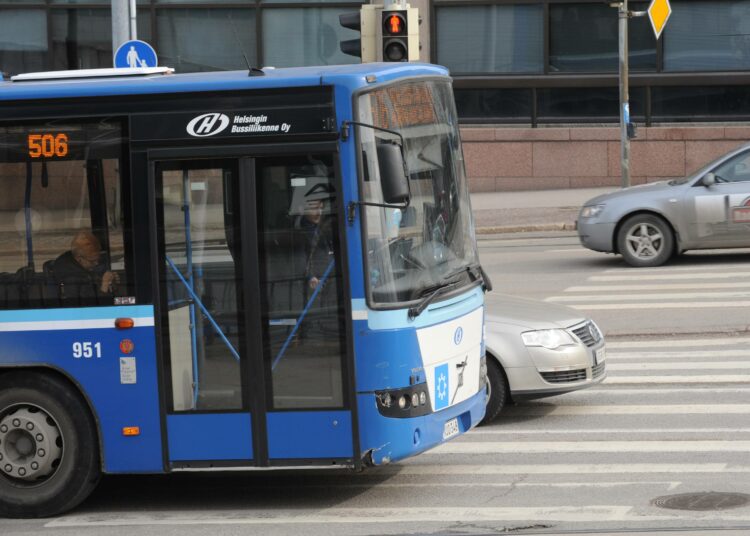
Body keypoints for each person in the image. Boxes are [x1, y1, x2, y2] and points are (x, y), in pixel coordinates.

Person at [51, 231, 119, 301]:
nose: (96, 263)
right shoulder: (71, 278)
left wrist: (111, 284)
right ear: (79, 259)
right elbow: (88, 306)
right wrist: (104, 286)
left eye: (98, 259)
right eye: (92, 261)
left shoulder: (82, 266)